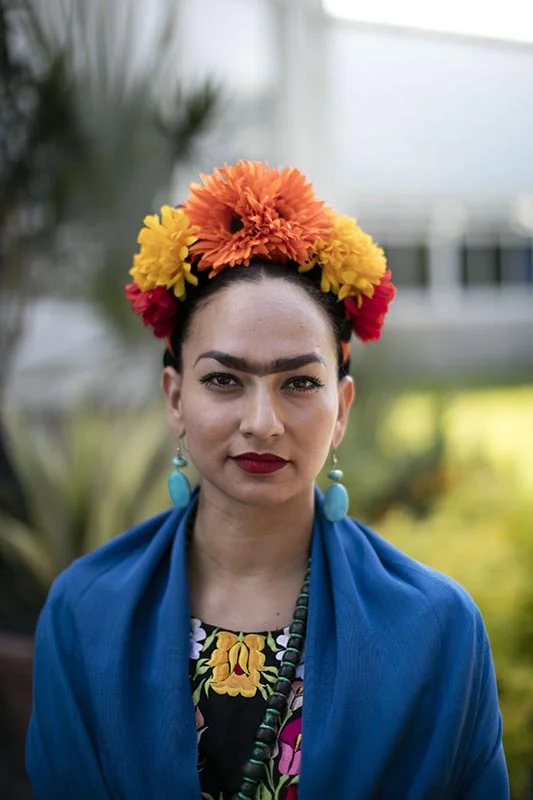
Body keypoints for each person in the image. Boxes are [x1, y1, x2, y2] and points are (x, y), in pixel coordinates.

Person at [26, 161, 509, 799]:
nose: (263, 423)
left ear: (342, 409)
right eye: (224, 379)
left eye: (300, 382)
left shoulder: (437, 630)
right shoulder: (85, 615)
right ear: (176, 398)